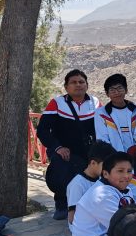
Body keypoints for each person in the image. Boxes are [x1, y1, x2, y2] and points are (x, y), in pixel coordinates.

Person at [38, 69, 101, 220]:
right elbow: (43, 130)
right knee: (63, 175)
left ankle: (88, 207)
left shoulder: (95, 102)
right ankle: (61, 203)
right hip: (64, 151)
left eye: (81, 82)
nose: (78, 85)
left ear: (87, 85)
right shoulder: (57, 103)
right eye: (73, 82)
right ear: (66, 87)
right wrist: (58, 147)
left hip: (88, 150)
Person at [71, 151, 135, 236]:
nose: (126, 176)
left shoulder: (123, 189)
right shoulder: (102, 195)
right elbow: (124, 228)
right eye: (120, 171)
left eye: (129, 171)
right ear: (105, 174)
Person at [66, 140, 117, 225]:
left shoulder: (101, 179)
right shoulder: (78, 184)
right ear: (93, 163)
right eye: (106, 166)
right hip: (88, 234)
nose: (109, 170)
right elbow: (72, 217)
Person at [94, 73, 136, 153]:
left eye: (119, 88)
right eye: (112, 90)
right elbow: (102, 139)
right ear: (107, 94)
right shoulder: (101, 113)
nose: (117, 93)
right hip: (114, 159)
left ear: (126, 90)